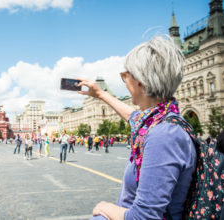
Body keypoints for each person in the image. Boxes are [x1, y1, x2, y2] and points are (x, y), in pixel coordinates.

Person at [78, 36, 196, 220]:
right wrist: (100, 94)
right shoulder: (162, 119)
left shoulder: (163, 134)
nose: (124, 81)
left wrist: (106, 208)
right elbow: (133, 117)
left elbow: (144, 217)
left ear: (139, 79)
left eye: (125, 76)